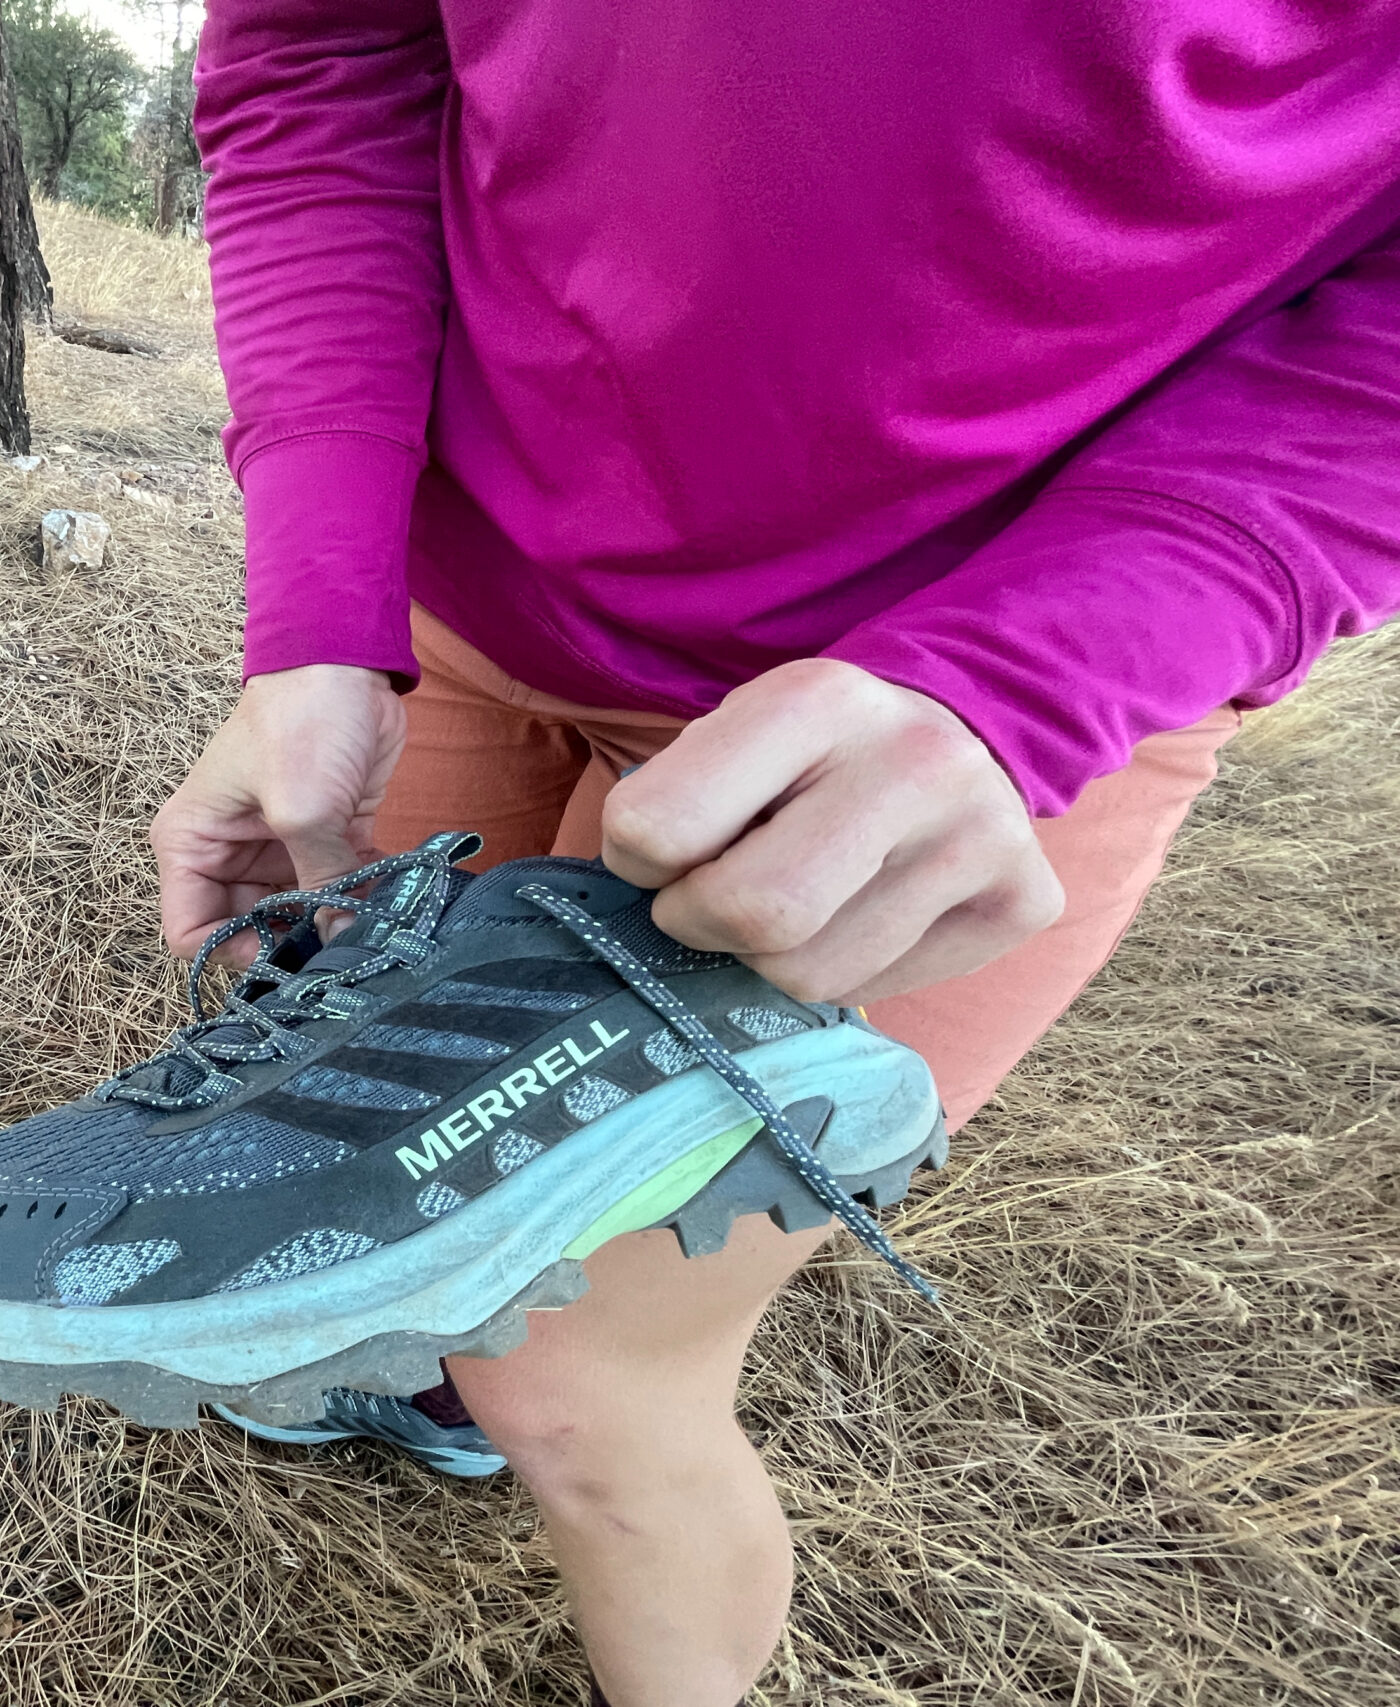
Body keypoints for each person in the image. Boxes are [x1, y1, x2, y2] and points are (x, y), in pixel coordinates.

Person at [149, 5, 1400, 1703]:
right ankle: (431, 1373)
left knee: (588, 1388)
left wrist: (1041, 673)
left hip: (951, 709)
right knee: (373, 1103)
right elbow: (329, 49)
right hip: (463, 593)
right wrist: (319, 614)